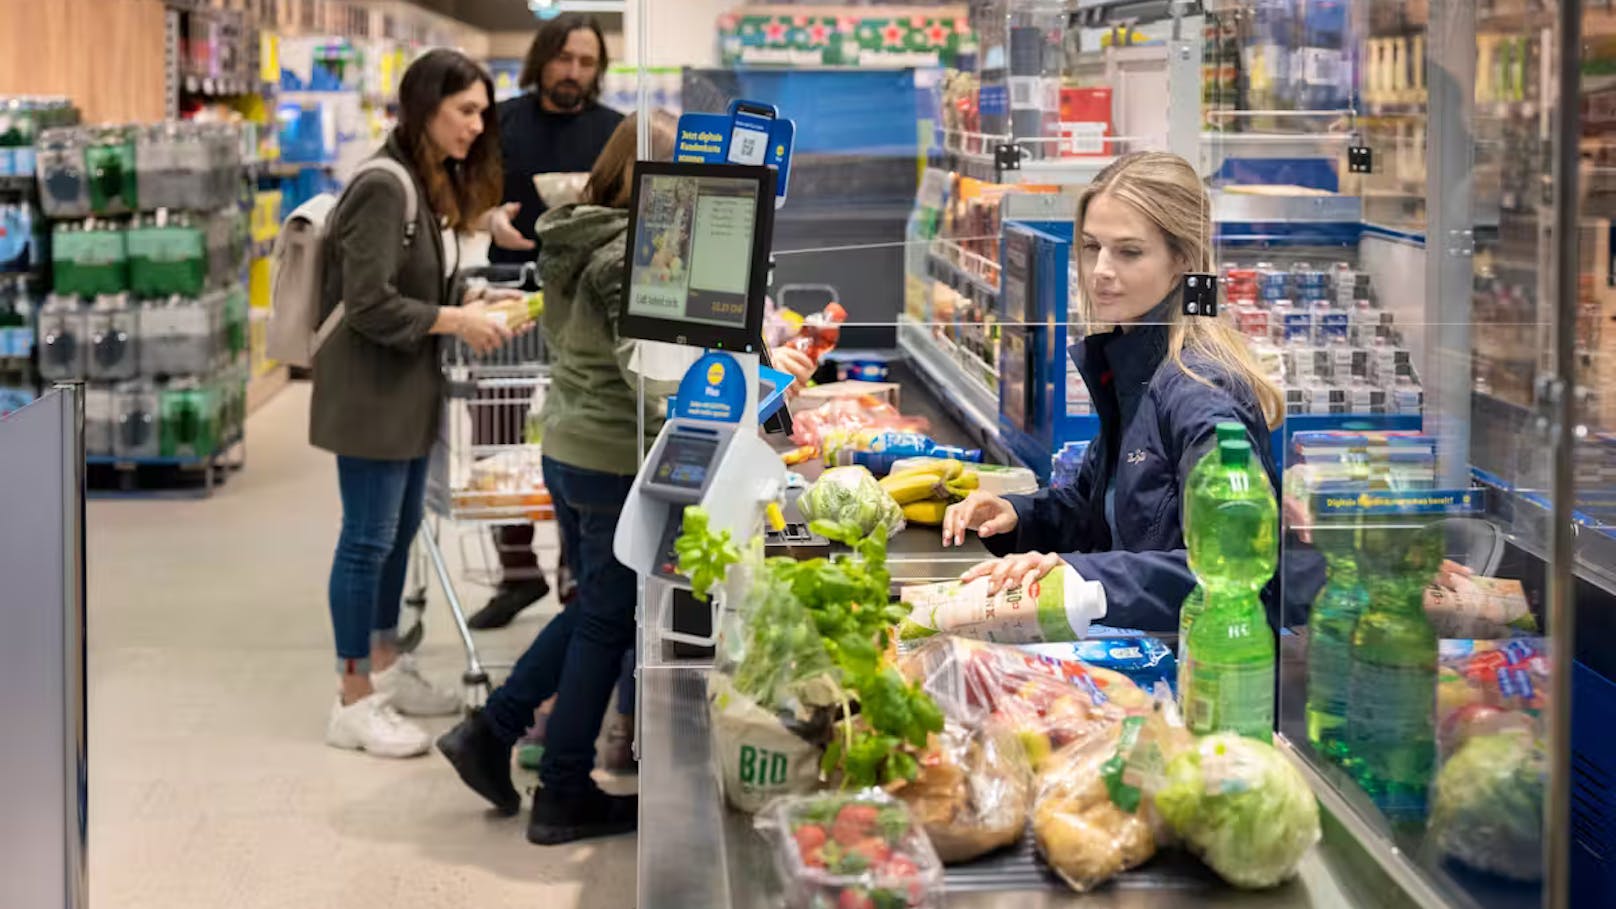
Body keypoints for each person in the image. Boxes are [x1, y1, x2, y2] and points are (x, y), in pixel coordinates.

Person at [437, 112, 815, 843]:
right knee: (607, 620)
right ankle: (562, 791)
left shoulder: (578, 231)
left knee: (596, 608)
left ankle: (494, 729)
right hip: (613, 454)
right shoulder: (629, 257)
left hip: (571, 442)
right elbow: (651, 375)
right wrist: (751, 387)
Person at [941, 151, 1285, 631]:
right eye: (1090, 247)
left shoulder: (1202, 391)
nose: (1100, 269)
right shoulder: (1135, 365)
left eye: (1128, 251)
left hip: (1200, 668)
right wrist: (1016, 515)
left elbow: (1235, 573)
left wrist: (1082, 574)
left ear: (1181, 261)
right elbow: (1096, 510)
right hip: (1139, 641)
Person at [311, 49, 521, 758]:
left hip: (406, 390)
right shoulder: (383, 184)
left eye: (482, 112)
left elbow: (417, 283)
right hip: (371, 393)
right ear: (426, 106)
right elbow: (368, 301)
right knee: (366, 540)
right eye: (466, 110)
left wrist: (472, 299)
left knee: (399, 534)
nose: (476, 125)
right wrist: (456, 321)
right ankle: (351, 697)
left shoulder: (424, 182)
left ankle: (385, 667)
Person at [469, 11, 626, 632]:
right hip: (510, 295)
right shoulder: (500, 123)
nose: (574, 73)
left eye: (586, 63)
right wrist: (486, 220)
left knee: (573, 436)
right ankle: (517, 571)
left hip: (586, 307)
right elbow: (465, 194)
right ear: (541, 59)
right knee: (497, 433)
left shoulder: (616, 132)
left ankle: (571, 573)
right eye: (564, 59)